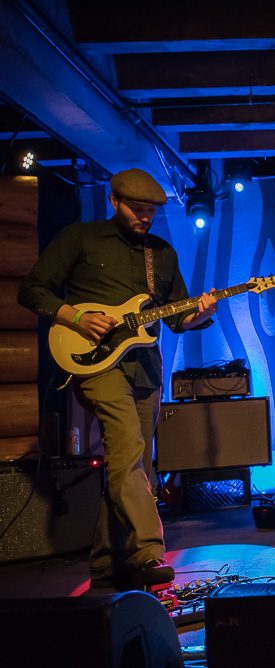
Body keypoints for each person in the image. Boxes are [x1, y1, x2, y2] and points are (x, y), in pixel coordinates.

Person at [18, 168, 218, 592]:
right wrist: (75, 316)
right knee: (127, 448)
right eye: (137, 209)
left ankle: (106, 569)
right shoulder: (81, 237)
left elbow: (178, 318)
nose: (145, 217)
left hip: (145, 367)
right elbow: (32, 290)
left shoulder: (161, 253)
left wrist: (199, 314)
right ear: (114, 201)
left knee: (134, 465)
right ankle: (148, 551)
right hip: (96, 363)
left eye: (151, 211)